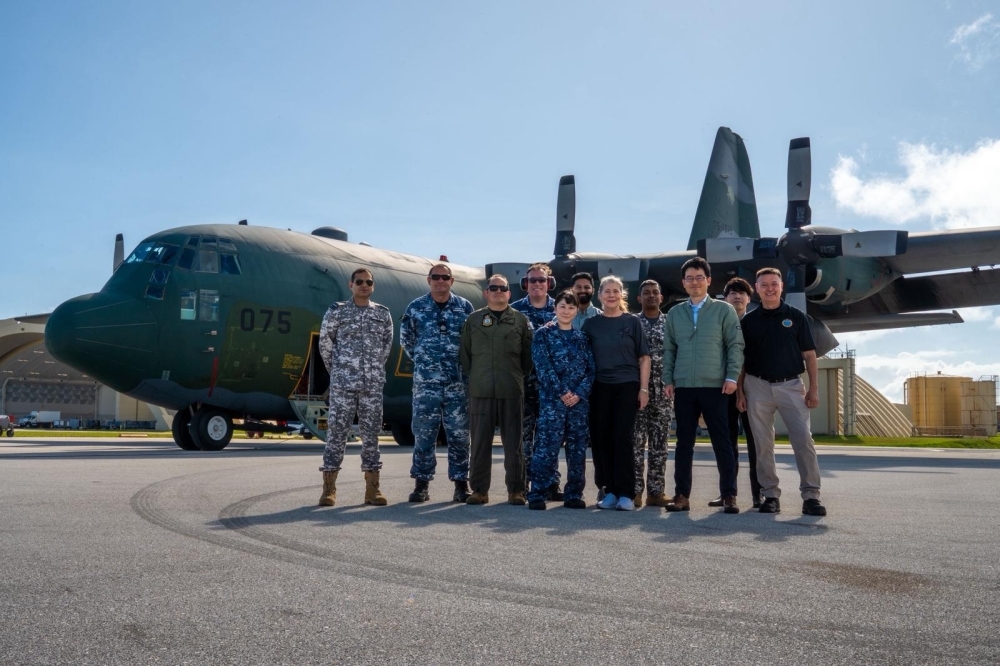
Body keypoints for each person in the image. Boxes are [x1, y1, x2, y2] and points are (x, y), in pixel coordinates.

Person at [737, 268, 827, 516]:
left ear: (781, 286)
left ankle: (811, 496)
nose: (769, 288)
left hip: (791, 385)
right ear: (756, 288)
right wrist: (740, 393)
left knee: (804, 441)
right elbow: (741, 360)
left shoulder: (796, 317)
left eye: (774, 284)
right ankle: (770, 495)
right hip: (757, 385)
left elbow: (810, 355)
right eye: (764, 284)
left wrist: (813, 389)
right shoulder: (748, 321)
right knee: (763, 444)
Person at [662, 257, 744, 514]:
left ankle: (729, 495)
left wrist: (732, 376)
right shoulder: (675, 313)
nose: (694, 282)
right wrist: (668, 379)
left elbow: (735, 345)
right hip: (684, 386)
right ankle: (681, 495)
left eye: (699, 277)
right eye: (689, 278)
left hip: (715, 386)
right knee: (684, 443)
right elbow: (669, 349)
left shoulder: (724, 310)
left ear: (709, 280)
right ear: (683, 283)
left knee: (722, 441)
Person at [317, 267, 394, 507]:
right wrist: (339, 371)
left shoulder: (382, 314)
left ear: (373, 286)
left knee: (371, 436)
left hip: (372, 386)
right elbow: (325, 345)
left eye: (368, 282)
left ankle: (372, 490)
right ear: (350, 285)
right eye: (359, 282)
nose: (364, 285)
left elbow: (385, 347)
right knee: (336, 434)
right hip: (343, 385)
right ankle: (328, 489)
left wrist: (372, 370)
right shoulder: (337, 311)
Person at [400, 264, 475, 503]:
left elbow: (472, 342)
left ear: (452, 281)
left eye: (445, 277)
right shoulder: (416, 307)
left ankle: (461, 484)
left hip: (457, 384)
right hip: (426, 385)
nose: (440, 280)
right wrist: (426, 362)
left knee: (459, 435)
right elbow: (407, 340)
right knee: (424, 434)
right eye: (436, 277)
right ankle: (421, 485)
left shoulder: (464, 307)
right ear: (428, 280)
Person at [459, 274, 534, 505]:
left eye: (503, 288)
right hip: (481, 389)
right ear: (486, 293)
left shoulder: (520, 320)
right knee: (480, 443)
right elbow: (465, 356)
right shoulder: (474, 320)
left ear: (509, 294)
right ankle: (479, 490)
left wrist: (515, 376)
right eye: (494, 288)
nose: (498, 291)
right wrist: (478, 377)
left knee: (514, 444)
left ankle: (517, 490)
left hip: (511, 389)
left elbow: (528, 358)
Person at [582, 275, 650, 511]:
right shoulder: (591, 325)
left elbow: (644, 358)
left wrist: (643, 389)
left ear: (622, 294)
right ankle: (609, 491)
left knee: (622, 437)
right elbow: (583, 358)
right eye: (607, 291)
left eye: (615, 291)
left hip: (627, 385)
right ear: (599, 295)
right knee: (601, 438)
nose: (611, 295)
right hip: (599, 387)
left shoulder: (633, 322)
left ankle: (626, 494)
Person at [527, 291, 595, 510]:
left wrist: (579, 393)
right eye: (563, 306)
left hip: (578, 404)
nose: (566, 311)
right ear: (555, 308)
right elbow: (543, 367)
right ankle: (538, 493)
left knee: (577, 451)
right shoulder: (543, 334)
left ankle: (574, 493)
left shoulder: (582, 338)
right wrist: (562, 392)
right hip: (552, 402)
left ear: (576, 311)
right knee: (546, 449)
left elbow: (591, 370)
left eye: (571, 307)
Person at [709, 277, 762, 508]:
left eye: (742, 293)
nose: (738, 296)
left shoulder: (756, 323)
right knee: (727, 443)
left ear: (749, 299)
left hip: (753, 389)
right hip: (725, 389)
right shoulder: (718, 324)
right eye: (733, 293)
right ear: (725, 298)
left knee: (755, 442)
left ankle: (759, 493)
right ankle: (727, 492)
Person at [510, 263, 557, 498]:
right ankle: (524, 485)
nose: (537, 284)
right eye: (532, 280)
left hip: (551, 387)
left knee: (550, 437)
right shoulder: (514, 311)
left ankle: (551, 483)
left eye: (541, 280)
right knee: (524, 438)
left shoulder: (561, 309)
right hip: (523, 386)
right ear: (525, 284)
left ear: (549, 283)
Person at [632, 279, 674, 508]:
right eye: (646, 293)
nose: (651, 296)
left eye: (655, 292)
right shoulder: (631, 322)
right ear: (639, 298)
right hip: (638, 392)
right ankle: (635, 491)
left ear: (661, 297)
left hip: (664, 392)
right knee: (636, 444)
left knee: (660, 445)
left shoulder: (671, 323)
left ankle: (656, 492)